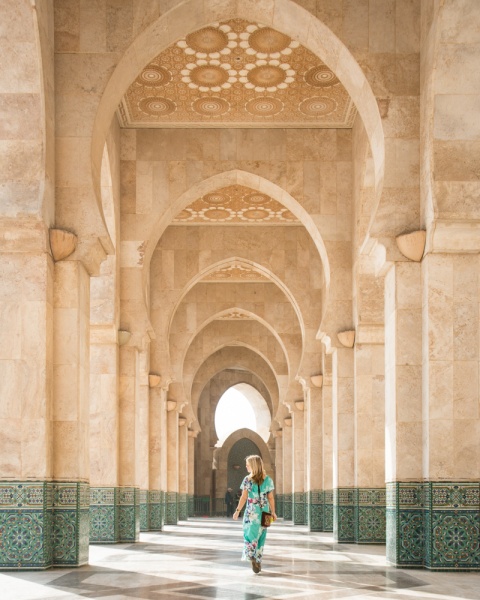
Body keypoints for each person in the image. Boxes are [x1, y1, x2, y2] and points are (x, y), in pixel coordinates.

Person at [232, 454, 277, 573]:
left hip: (252, 510)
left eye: (247, 464)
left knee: (249, 533)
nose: (246, 466)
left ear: (253, 465)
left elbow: (244, 497)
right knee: (262, 535)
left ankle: (251, 555)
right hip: (266, 511)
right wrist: (273, 512)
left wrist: (237, 511)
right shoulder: (268, 480)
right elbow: (271, 498)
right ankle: (258, 559)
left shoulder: (247, 479)